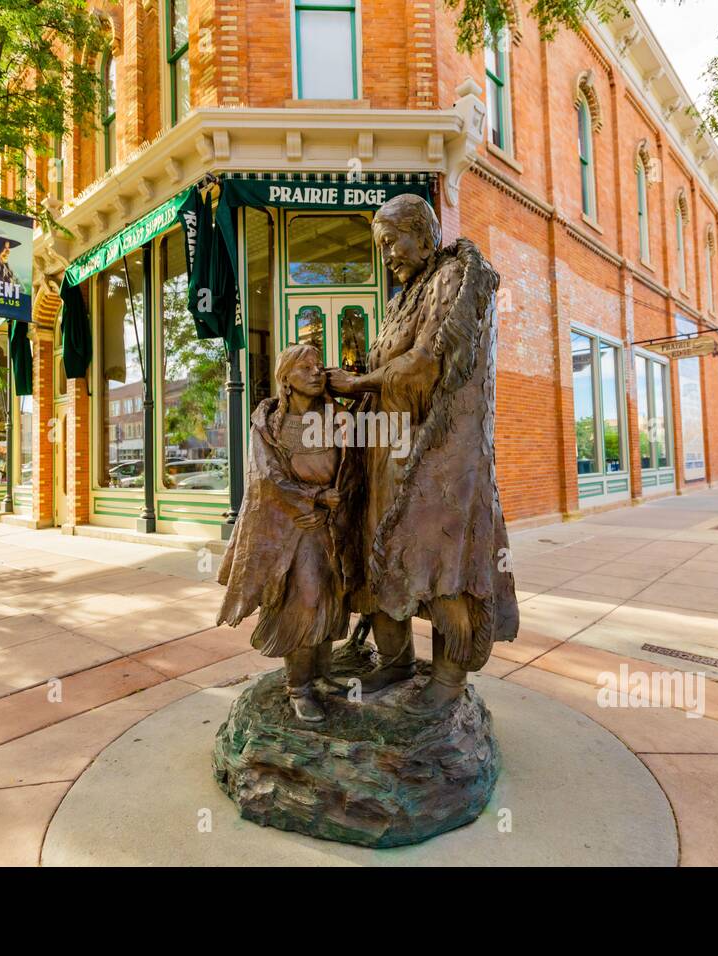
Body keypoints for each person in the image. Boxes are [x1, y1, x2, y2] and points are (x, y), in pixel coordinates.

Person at [327, 194, 519, 715]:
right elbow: (392, 368)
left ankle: (448, 681)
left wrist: (357, 382)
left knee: (439, 567)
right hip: (387, 455)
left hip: (439, 460)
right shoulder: (403, 297)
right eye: (381, 246)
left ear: (423, 231)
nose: (386, 255)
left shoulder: (454, 280)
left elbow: (425, 366)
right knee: (383, 560)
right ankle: (396, 661)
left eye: (391, 242)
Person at [217, 343, 352, 723]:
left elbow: (357, 464)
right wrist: (313, 498)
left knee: (331, 598)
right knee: (304, 600)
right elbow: (267, 478)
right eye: (304, 367)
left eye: (318, 366)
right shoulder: (268, 423)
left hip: (331, 524)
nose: (315, 372)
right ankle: (300, 687)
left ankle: (322, 674)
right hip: (294, 526)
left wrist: (337, 501)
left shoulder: (336, 417)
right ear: (286, 379)